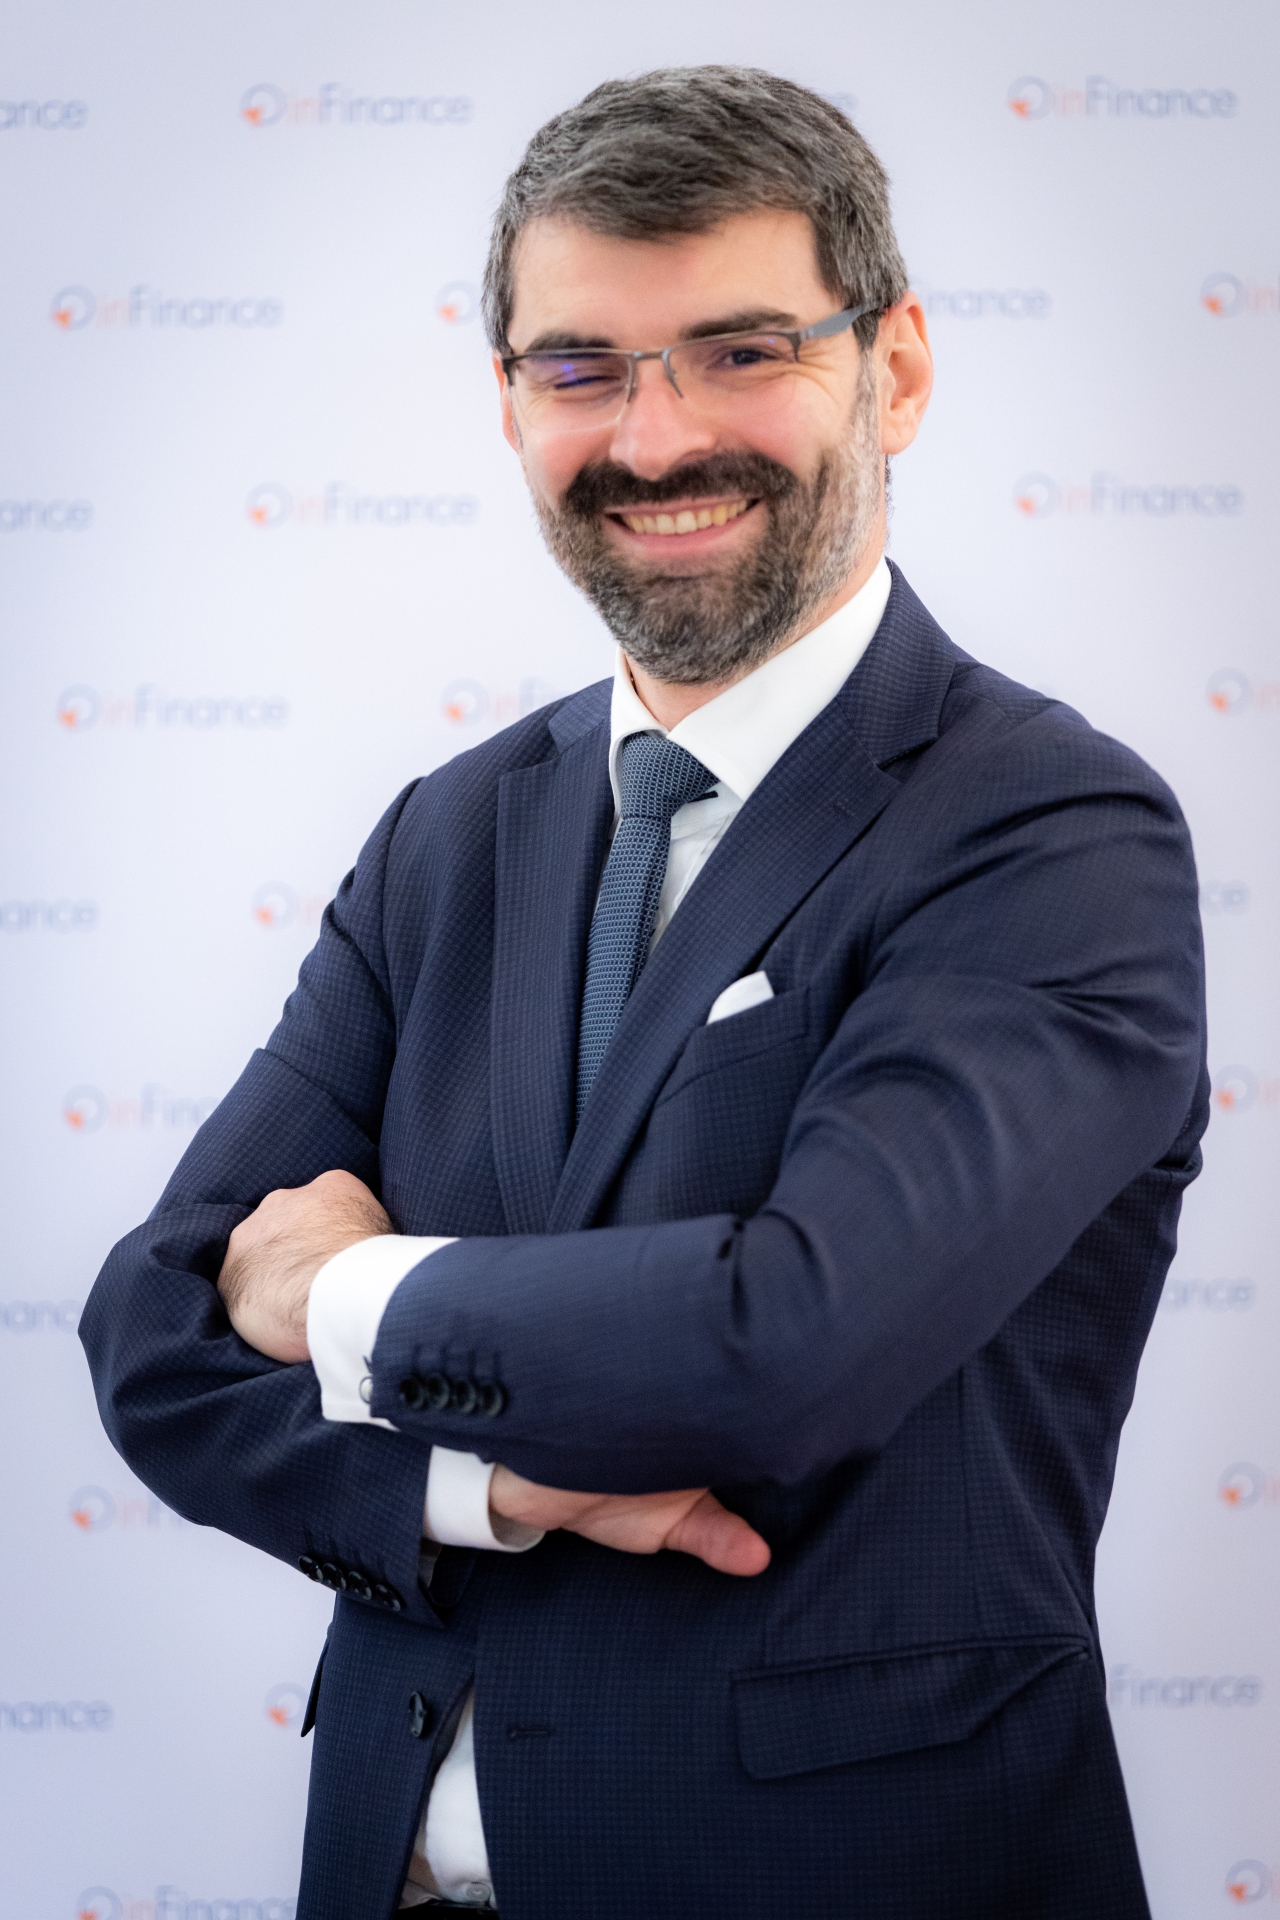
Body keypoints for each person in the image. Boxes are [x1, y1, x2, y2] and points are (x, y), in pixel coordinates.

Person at [82, 65, 1208, 1920]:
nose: (656, 437)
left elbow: (789, 1340)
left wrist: (337, 1290)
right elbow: (151, 1332)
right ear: (509, 400)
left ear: (897, 367)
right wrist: (491, 1490)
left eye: (740, 351)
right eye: (581, 368)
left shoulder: (1048, 832)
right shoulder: (452, 833)